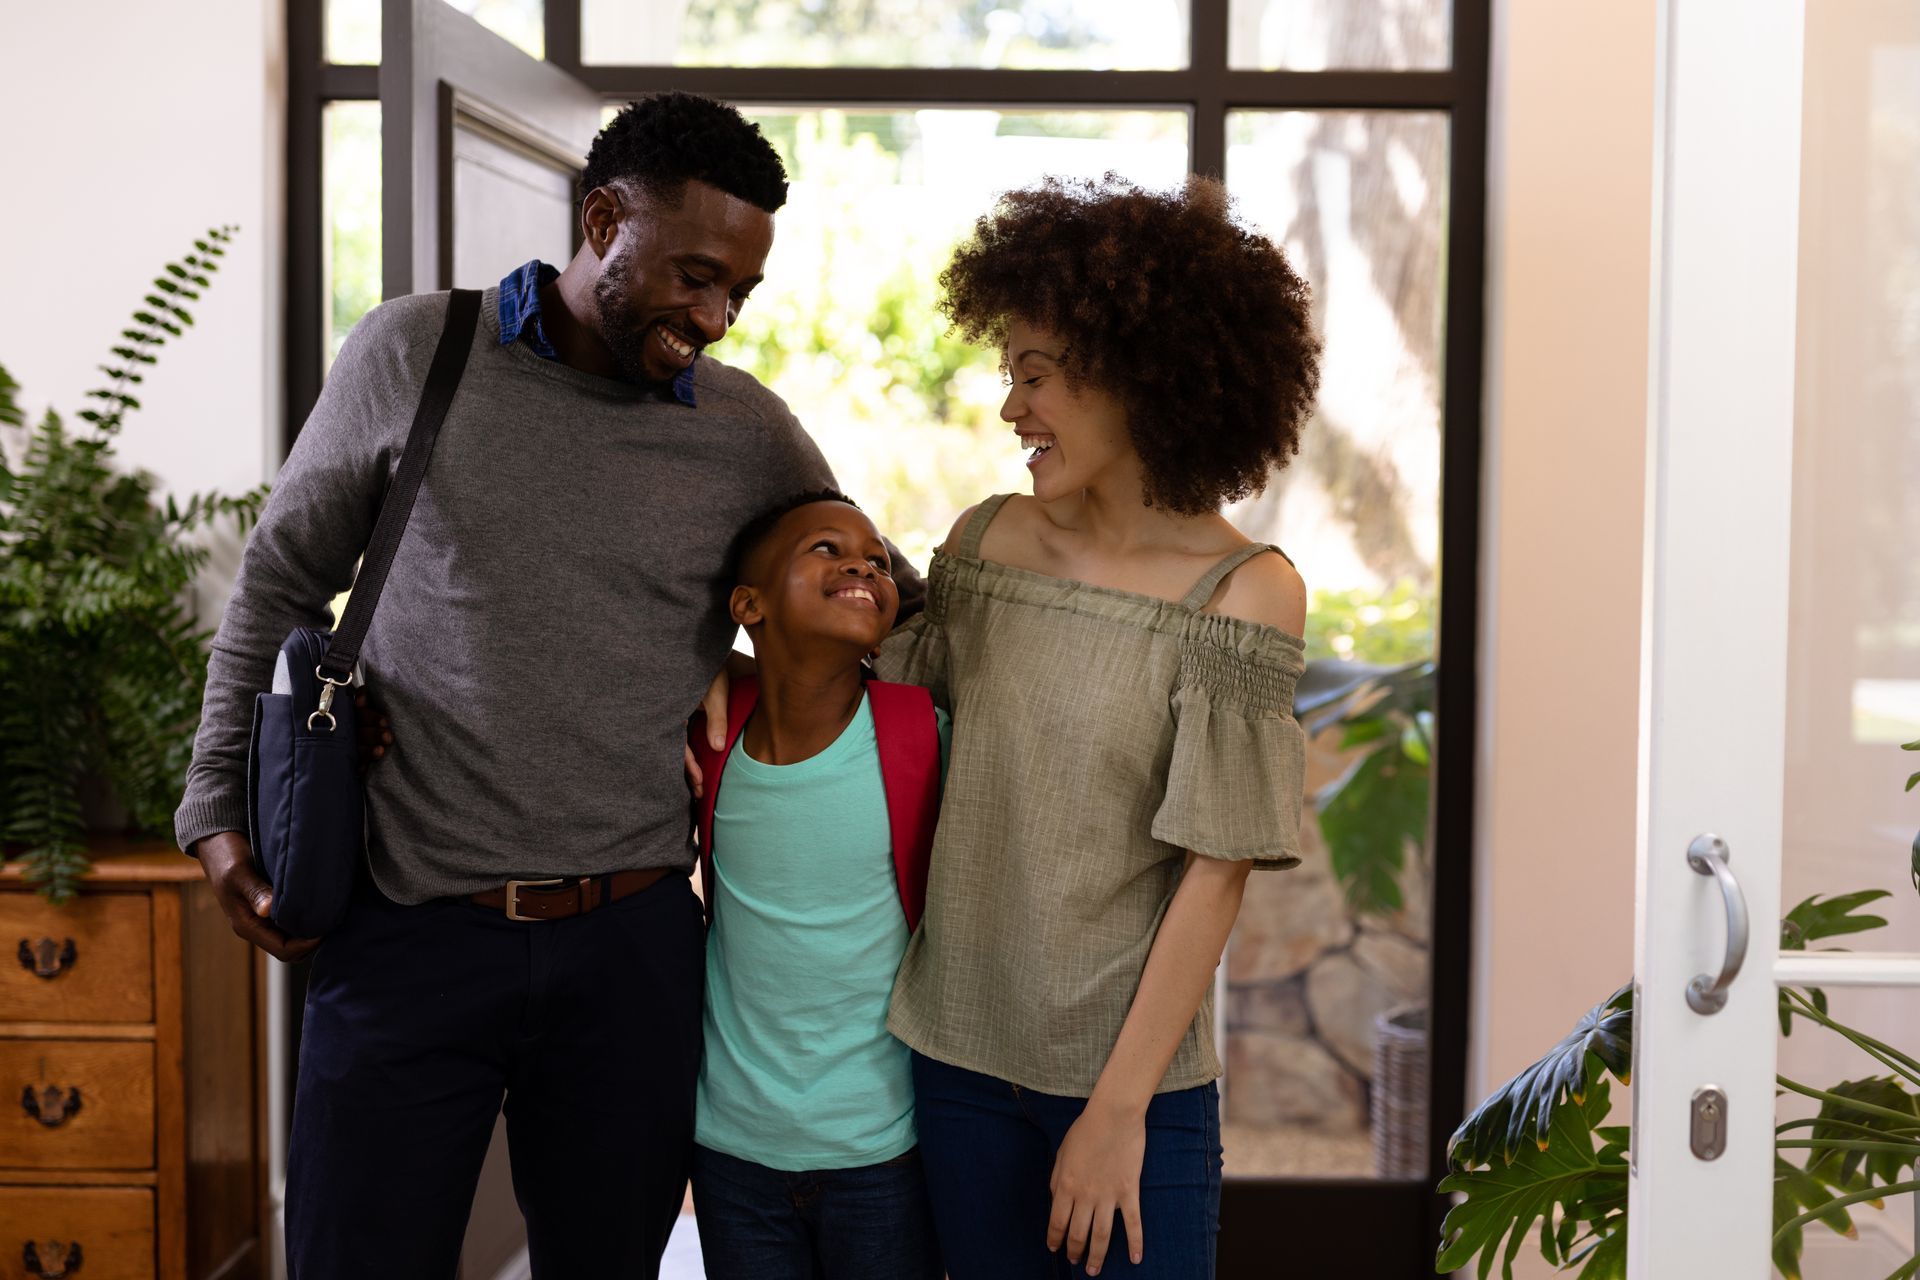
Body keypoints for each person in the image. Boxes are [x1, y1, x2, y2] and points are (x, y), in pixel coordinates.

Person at [175, 92, 918, 1276]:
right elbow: (275, 583)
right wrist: (215, 812)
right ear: (604, 217)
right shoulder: (417, 351)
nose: (716, 317)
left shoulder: (745, 431)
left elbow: (874, 599)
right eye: (693, 276)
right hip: (404, 930)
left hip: (628, 948)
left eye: (741, 292)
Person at [874, 173, 1319, 1279]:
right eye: (1010, 373)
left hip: (1131, 1086)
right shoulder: (986, 545)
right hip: (952, 1061)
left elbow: (1214, 874)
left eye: (1037, 376)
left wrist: (1115, 1114)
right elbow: (881, 723)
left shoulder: (1243, 589)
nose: (1012, 407)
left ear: (1135, 374)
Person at [685, 490, 947, 1280]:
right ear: (749, 604)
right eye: (826, 550)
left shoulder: (920, 730)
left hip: (883, 1155)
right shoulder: (708, 737)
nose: (862, 562)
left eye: (875, 554)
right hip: (732, 1156)